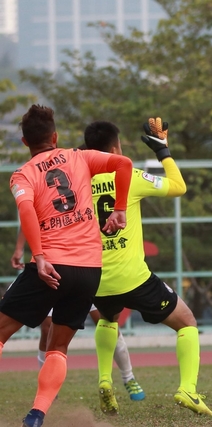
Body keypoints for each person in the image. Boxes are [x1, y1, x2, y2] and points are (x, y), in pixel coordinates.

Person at [0, 104, 132, 427]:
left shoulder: (23, 174)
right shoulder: (79, 157)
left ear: (24, 141)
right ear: (55, 137)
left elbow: (27, 211)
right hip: (89, 270)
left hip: (51, 265)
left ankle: (37, 414)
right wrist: (120, 209)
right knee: (58, 347)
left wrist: (39, 255)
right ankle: (37, 414)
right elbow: (124, 163)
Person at [84, 119, 212, 417]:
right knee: (187, 322)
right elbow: (178, 187)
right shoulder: (129, 176)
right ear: (115, 149)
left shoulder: (78, 182)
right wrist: (163, 152)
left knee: (108, 319)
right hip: (134, 278)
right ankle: (188, 389)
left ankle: (105, 380)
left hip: (97, 278)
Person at [12, 230, 146, 401]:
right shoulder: (48, 212)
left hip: (84, 269)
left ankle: (129, 377)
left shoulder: (86, 213)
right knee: (47, 328)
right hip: (55, 267)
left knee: (106, 321)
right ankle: (47, 384)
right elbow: (29, 218)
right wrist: (19, 248)